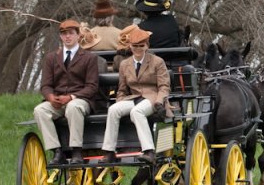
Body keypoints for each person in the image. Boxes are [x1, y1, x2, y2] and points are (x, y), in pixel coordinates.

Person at [34, 19, 100, 164]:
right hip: (57, 101)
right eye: (64, 34)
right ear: (60, 37)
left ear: (78, 36)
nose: (67, 37)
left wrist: (71, 96)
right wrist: (51, 97)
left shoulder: (89, 58)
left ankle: (76, 150)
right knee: (40, 110)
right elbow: (45, 85)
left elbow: (92, 87)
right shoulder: (51, 58)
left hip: (81, 99)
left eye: (71, 33)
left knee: (73, 106)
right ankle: (57, 151)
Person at [101, 27, 170, 164]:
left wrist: (159, 102)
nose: (137, 49)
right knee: (113, 110)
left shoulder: (157, 61)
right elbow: (121, 90)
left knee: (136, 111)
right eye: (134, 46)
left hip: (152, 98)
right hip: (133, 98)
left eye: (141, 46)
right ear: (130, 46)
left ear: (147, 46)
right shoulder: (124, 64)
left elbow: (164, 86)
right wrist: (119, 101)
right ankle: (109, 151)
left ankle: (149, 151)